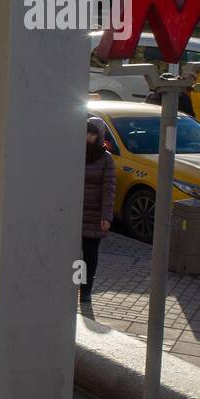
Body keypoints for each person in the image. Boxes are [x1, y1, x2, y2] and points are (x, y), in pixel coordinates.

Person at [81, 117, 116, 305]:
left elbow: (108, 189)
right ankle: (76, 285)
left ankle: (85, 290)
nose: (88, 136)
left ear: (99, 135)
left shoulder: (106, 159)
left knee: (89, 255)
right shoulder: (75, 152)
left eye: (93, 133)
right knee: (75, 255)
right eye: (86, 132)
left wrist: (106, 216)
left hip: (94, 215)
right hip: (75, 213)